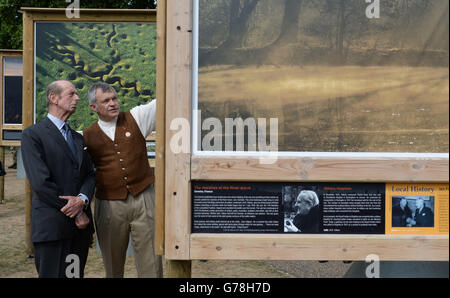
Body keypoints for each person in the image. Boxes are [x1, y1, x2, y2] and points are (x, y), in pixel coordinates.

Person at [83, 82, 162, 278]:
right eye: (106, 100)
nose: (113, 103)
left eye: (114, 98)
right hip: (109, 204)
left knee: (151, 260)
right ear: (94, 107)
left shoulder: (136, 117)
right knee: (113, 263)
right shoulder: (86, 136)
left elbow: (163, 100)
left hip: (144, 197)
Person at [21, 80, 96, 278]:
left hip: (79, 230)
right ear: (53, 98)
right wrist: (76, 210)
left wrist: (82, 200)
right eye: (71, 94)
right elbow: (41, 182)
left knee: (74, 276)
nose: (77, 98)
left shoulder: (78, 138)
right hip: (52, 228)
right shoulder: (33, 135)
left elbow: (89, 174)